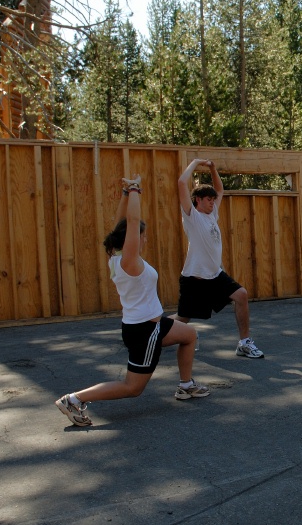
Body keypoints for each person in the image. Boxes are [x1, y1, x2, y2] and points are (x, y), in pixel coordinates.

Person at [55, 176, 209, 427]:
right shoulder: (129, 262)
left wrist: (126, 194)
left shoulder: (116, 256)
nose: (145, 239)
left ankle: (186, 385)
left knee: (189, 334)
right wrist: (137, 188)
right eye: (142, 236)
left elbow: (121, 225)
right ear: (133, 239)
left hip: (154, 324)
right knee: (133, 387)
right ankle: (74, 399)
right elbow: (133, 222)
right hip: (144, 331)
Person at [170, 159, 263, 359]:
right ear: (198, 200)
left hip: (215, 275)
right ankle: (148, 330)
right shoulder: (192, 216)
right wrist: (195, 162)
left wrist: (212, 168)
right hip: (195, 279)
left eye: (213, 199)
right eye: (208, 199)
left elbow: (220, 189)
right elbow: (180, 183)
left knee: (241, 295)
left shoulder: (212, 215)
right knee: (182, 318)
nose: (213, 202)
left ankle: (244, 343)